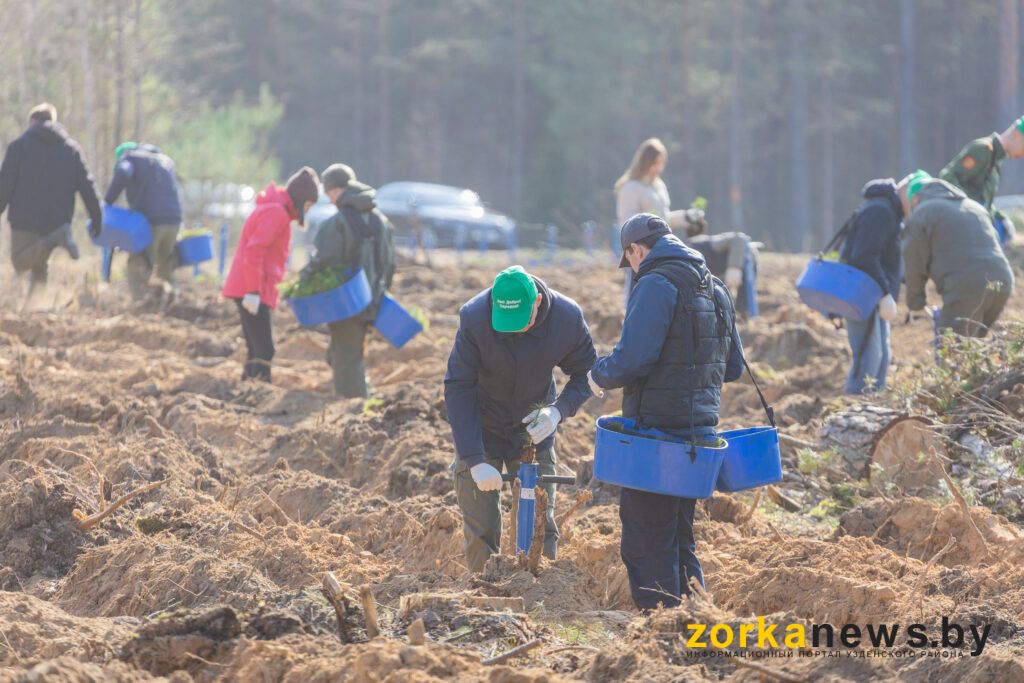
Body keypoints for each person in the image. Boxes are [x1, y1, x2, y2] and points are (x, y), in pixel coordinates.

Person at [589, 213, 744, 610]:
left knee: (645, 539)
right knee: (678, 535)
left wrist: (598, 375)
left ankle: (662, 628)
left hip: (656, 433)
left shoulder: (655, 283)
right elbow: (733, 368)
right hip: (700, 433)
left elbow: (633, 360)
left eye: (630, 261)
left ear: (636, 250)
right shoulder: (716, 286)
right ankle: (697, 619)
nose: (632, 269)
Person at [444, 265, 597, 572]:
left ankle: (544, 599)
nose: (513, 330)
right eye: (506, 324)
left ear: (538, 301)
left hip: (533, 431)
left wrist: (557, 411)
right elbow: (458, 386)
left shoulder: (566, 319)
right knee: (480, 526)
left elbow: (587, 373)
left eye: (520, 322)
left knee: (542, 521)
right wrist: (474, 459)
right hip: (482, 428)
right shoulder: (474, 317)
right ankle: (484, 596)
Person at [301, 163, 396, 398]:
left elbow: (323, 261)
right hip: (372, 299)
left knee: (346, 359)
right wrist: (379, 294)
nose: (329, 198)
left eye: (329, 192)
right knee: (343, 353)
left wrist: (303, 282)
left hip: (345, 301)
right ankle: (364, 393)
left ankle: (354, 408)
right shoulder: (380, 220)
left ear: (337, 190)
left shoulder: (337, 223)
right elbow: (389, 264)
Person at [222, 167, 320, 382]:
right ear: (301, 199)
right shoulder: (277, 213)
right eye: (309, 204)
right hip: (252, 288)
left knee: (256, 349)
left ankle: (247, 388)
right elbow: (255, 251)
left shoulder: (276, 210)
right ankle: (258, 391)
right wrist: (253, 291)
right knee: (265, 350)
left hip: (253, 287)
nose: (309, 209)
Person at [0, 103, 102, 297]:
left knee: (20, 261)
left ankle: (54, 240)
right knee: (40, 264)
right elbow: (87, 186)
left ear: (32, 122)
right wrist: (97, 217)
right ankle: (35, 308)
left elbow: (4, 184)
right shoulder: (71, 149)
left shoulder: (18, 146)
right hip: (58, 220)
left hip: (25, 219)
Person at [902, 171, 1014, 338]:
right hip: (1003, 282)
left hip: (968, 286)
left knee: (951, 349)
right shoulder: (975, 207)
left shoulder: (922, 212)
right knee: (973, 348)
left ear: (915, 199)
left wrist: (916, 304)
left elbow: (914, 262)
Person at [614, 138, 707, 304]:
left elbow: (664, 220)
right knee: (635, 297)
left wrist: (686, 217)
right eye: (655, 163)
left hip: (661, 248)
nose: (659, 168)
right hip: (639, 252)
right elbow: (628, 223)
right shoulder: (630, 188)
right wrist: (647, 229)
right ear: (645, 162)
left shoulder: (659, 186)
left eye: (661, 163)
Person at [838, 179, 904, 394]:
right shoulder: (879, 212)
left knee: (881, 358)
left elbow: (886, 257)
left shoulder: (886, 210)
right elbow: (864, 256)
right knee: (868, 358)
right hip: (862, 292)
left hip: (872, 292)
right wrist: (885, 293)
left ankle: (874, 410)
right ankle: (855, 408)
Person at [104, 142, 184, 303]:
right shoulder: (162, 160)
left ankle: (140, 305)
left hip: (151, 221)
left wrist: (107, 203)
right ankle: (175, 300)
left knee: (137, 266)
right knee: (165, 266)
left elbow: (123, 173)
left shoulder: (130, 159)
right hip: (174, 220)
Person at [940, 117, 1024, 248]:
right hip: (965, 226)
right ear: (1017, 136)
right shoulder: (984, 150)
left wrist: (1000, 217)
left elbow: (982, 197)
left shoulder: (996, 158)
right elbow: (947, 177)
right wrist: (967, 206)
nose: (1022, 154)